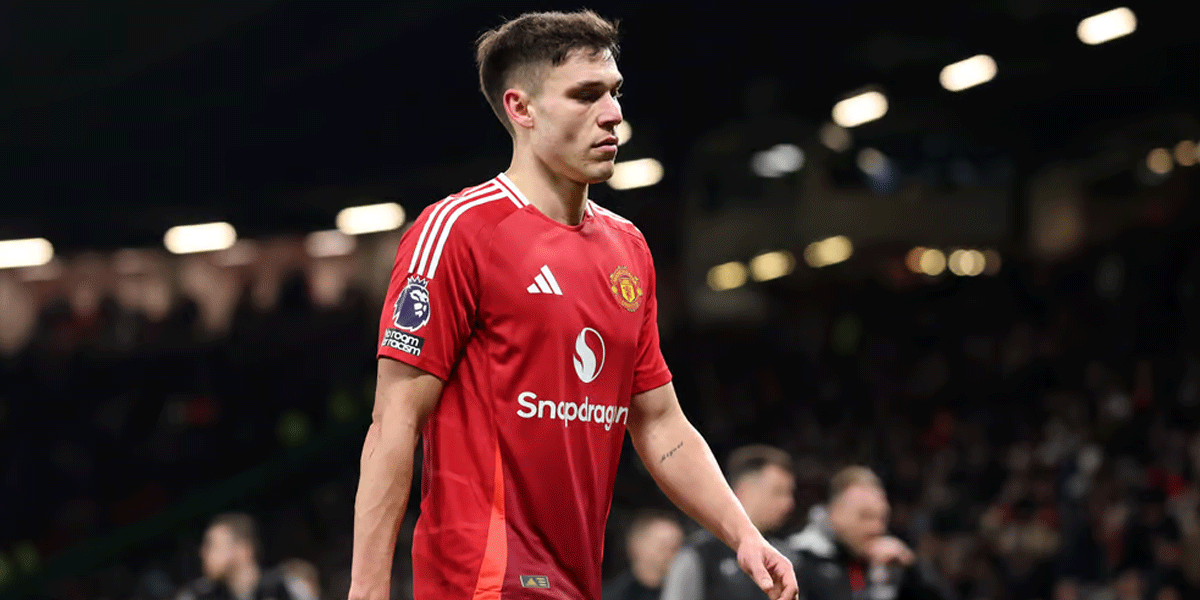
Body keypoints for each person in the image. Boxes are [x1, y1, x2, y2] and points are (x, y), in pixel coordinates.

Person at [349, 10, 797, 600]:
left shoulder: (628, 248)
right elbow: (394, 423)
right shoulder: (457, 231)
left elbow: (659, 422)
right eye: (585, 95)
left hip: (576, 580)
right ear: (521, 108)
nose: (612, 113)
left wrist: (744, 535)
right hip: (483, 578)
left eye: (614, 92)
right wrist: (367, 590)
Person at [787, 467, 952, 600]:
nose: (877, 528)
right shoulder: (797, 560)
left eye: (882, 518)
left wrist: (913, 568)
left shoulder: (892, 562)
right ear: (835, 514)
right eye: (865, 516)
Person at [660, 445, 797, 600]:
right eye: (778, 492)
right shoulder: (700, 554)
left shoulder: (787, 556)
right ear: (744, 490)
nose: (788, 504)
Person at [177, 512, 296, 600]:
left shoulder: (285, 586)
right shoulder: (199, 595)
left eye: (212, 545)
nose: (202, 553)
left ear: (243, 549)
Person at [601, 509, 686, 600]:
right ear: (635, 545)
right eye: (663, 545)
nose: (672, 554)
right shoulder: (610, 595)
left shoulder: (688, 592)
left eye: (676, 547)